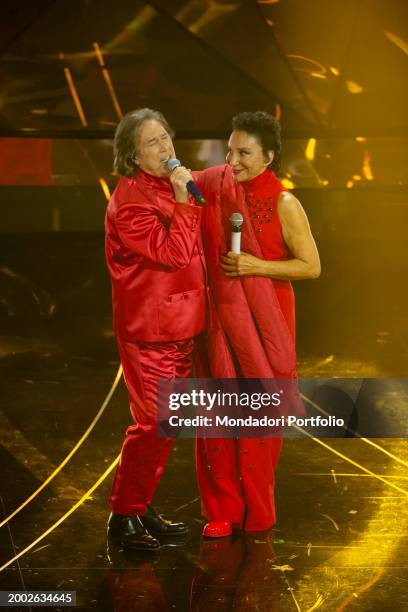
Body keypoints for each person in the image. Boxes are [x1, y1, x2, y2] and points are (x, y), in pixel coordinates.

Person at [194, 111, 321, 537]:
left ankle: (258, 510)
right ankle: (223, 510)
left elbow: (311, 267)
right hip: (220, 319)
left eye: (245, 152)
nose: (233, 161)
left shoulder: (285, 202)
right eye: (229, 151)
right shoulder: (214, 195)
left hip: (269, 322)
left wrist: (255, 265)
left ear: (268, 157)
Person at [105, 108, 206, 550]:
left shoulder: (169, 183)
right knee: (151, 424)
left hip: (181, 324)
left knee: (168, 423)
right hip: (150, 331)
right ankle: (122, 516)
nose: (165, 149)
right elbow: (174, 254)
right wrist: (186, 200)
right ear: (132, 155)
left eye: (165, 137)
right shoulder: (129, 203)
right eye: (152, 143)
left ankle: (140, 507)